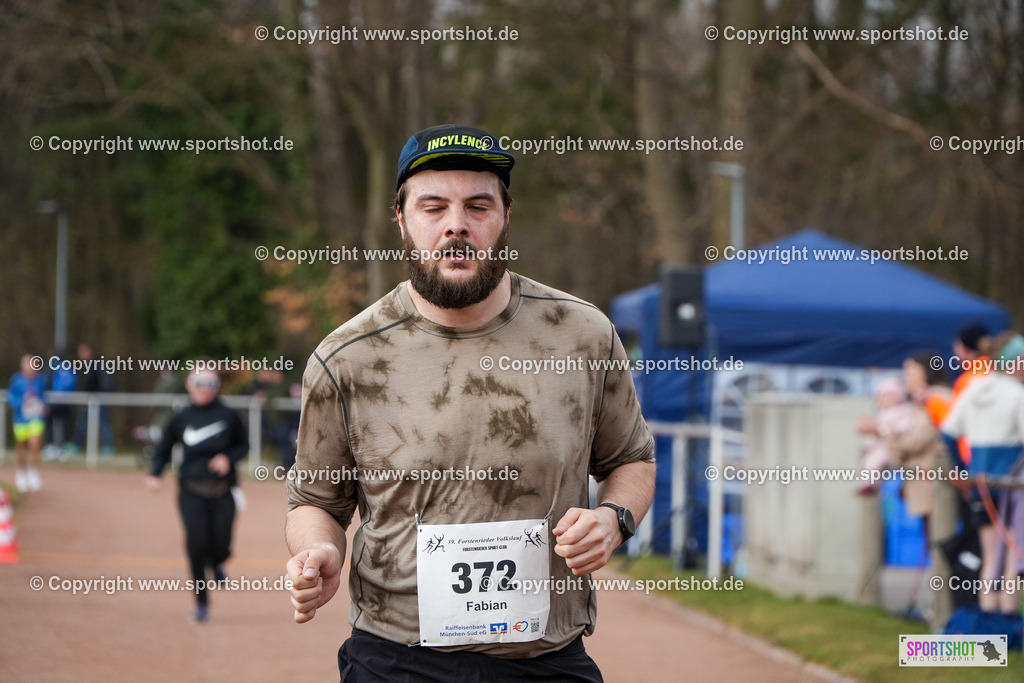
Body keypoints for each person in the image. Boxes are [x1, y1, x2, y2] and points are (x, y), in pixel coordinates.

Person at [285, 124, 656, 681]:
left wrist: (614, 519)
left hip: (546, 660)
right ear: (402, 220)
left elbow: (632, 459)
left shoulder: (581, 335)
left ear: (505, 217)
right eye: (433, 207)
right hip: (396, 660)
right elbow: (315, 500)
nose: (456, 224)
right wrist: (321, 551)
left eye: (477, 206)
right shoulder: (348, 358)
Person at [146, 368, 249, 623]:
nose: (205, 388)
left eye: (211, 383)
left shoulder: (228, 414)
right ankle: (202, 604)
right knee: (196, 544)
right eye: (199, 383)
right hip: (191, 490)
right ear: (189, 385)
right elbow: (164, 448)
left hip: (223, 490)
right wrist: (155, 474)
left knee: (221, 546)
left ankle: (217, 561)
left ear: (218, 386)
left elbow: (244, 444)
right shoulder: (181, 417)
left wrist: (228, 458)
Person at [942, 331, 1024, 614]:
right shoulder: (1018, 395)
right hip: (1012, 489)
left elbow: (949, 434)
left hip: (980, 484)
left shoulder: (973, 389)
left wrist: (964, 472)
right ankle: (1008, 624)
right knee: (1012, 559)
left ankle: (989, 627)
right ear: (1013, 362)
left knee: (990, 558)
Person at [8, 355, 48, 492]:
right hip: (20, 419)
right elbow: (11, 398)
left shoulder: (40, 380)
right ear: (22, 366)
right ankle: (21, 473)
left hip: (35, 418)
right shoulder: (16, 380)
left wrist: (43, 406)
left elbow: (43, 397)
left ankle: (34, 472)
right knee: (21, 448)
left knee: (35, 444)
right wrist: (22, 402)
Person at [71, 343, 115, 454]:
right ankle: (76, 445)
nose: (80, 354)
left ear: (89, 351)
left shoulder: (98, 364)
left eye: (82, 352)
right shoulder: (85, 366)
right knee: (83, 422)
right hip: (89, 399)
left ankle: (108, 447)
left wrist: (101, 394)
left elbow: (105, 382)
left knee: (102, 423)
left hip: (98, 399)